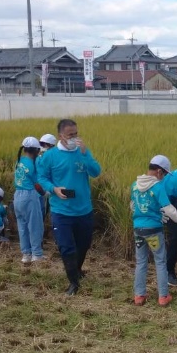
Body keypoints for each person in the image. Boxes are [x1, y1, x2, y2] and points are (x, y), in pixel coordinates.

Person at [36, 119, 102, 296]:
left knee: (84, 244)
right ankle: (73, 282)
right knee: (66, 246)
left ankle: (77, 269)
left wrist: (85, 153)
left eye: (76, 134)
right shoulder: (50, 156)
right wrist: (54, 189)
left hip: (84, 209)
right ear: (60, 136)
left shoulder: (82, 153)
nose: (74, 138)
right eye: (70, 135)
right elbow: (42, 178)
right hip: (61, 210)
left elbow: (96, 172)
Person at [130, 154, 177, 306]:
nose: (165, 176)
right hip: (153, 230)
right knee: (160, 261)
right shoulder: (158, 187)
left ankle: (139, 296)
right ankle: (163, 296)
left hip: (138, 230)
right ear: (159, 172)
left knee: (141, 262)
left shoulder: (134, 185)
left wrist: (149, 212)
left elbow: (133, 207)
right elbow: (170, 211)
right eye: (165, 173)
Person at [13, 136, 47, 264]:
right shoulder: (32, 165)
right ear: (35, 151)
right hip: (29, 196)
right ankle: (37, 254)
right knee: (35, 226)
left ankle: (26, 254)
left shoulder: (19, 161)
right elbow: (36, 184)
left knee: (22, 226)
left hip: (17, 196)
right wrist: (44, 193)